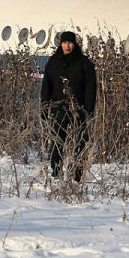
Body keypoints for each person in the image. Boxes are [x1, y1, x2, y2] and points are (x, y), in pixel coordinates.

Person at [40, 31, 96, 182]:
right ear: (60, 44)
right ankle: (56, 171)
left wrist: (89, 109)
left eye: (70, 42)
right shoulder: (53, 62)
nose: (67, 45)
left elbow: (91, 88)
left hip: (79, 109)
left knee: (81, 141)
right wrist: (45, 107)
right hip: (59, 108)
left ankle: (78, 173)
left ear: (75, 44)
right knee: (58, 140)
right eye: (64, 42)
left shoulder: (84, 63)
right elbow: (46, 87)